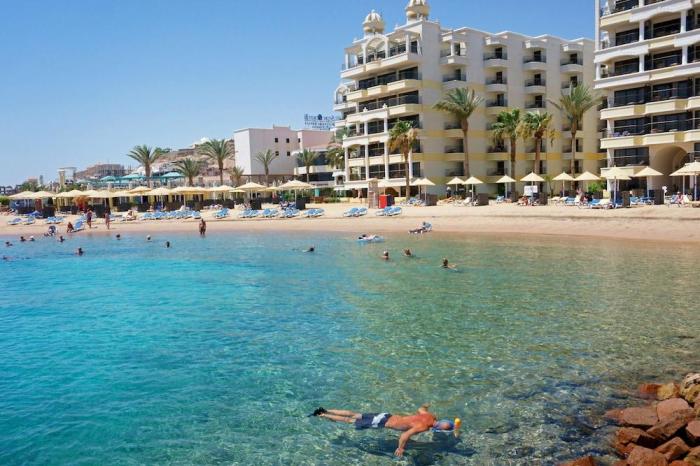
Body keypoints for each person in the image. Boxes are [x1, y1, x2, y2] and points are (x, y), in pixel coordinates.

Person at [311, 404, 458, 458]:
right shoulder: (423, 427)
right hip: (382, 422)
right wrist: (400, 448)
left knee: (355, 414)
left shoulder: (430, 416)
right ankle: (323, 415)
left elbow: (421, 408)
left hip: (385, 415)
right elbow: (404, 435)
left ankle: (326, 410)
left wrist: (426, 406)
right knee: (349, 420)